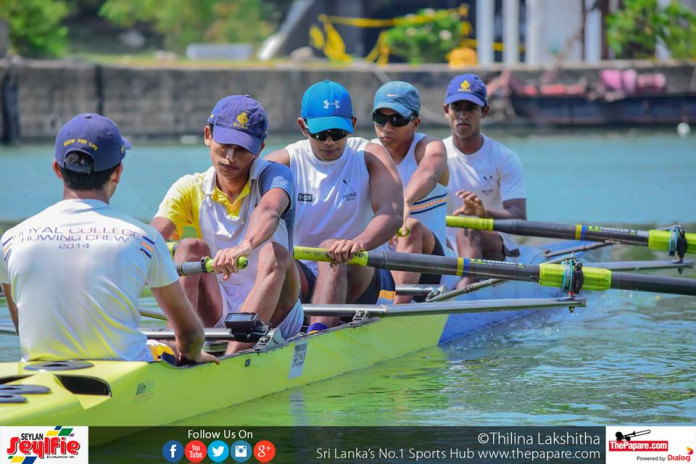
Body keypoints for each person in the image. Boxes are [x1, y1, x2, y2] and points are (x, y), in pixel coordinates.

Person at [0, 113, 214, 365]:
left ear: (57, 169)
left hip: (38, 379)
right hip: (125, 379)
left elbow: (23, 329)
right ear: (118, 172)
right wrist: (189, 360)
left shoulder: (10, 241)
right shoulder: (145, 239)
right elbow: (190, 335)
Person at [151, 95, 302, 353]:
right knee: (189, 248)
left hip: (277, 311)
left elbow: (268, 210)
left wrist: (244, 246)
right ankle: (175, 347)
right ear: (208, 134)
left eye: (242, 149)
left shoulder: (275, 176)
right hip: (217, 304)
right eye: (225, 145)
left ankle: (234, 357)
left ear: (260, 148)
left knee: (274, 253)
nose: (230, 157)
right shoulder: (190, 186)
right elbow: (154, 234)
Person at [266, 80, 403, 332]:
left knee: (331, 251)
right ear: (303, 126)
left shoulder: (370, 156)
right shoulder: (281, 163)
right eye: (320, 134)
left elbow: (392, 213)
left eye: (337, 133)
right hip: (303, 277)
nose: (329, 142)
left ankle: (317, 336)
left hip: (361, 274)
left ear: (351, 124)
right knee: (273, 256)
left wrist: (357, 243)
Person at [370, 81, 456, 303]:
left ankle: (397, 313)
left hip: (434, 267)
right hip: (380, 262)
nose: (387, 127)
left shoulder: (430, 147)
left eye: (397, 120)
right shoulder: (366, 151)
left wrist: (405, 203)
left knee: (409, 228)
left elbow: (429, 172)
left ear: (415, 123)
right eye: (380, 119)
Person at [442, 74, 527, 288]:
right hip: (444, 246)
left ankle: (465, 288)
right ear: (446, 111)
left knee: (468, 225)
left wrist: (483, 215)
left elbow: (519, 216)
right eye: (457, 108)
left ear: (485, 112)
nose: (462, 115)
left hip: (493, 243)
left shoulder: (504, 157)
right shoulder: (435, 155)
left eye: (470, 108)